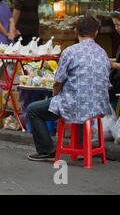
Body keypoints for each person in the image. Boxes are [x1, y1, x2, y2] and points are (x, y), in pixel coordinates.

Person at [26, 16, 110, 161]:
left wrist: (55, 96)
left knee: (33, 110)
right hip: (99, 104)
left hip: (74, 104)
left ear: (76, 31)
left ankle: (46, 149)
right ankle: (82, 146)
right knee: (81, 103)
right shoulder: (102, 52)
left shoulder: (70, 52)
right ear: (96, 33)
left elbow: (58, 81)